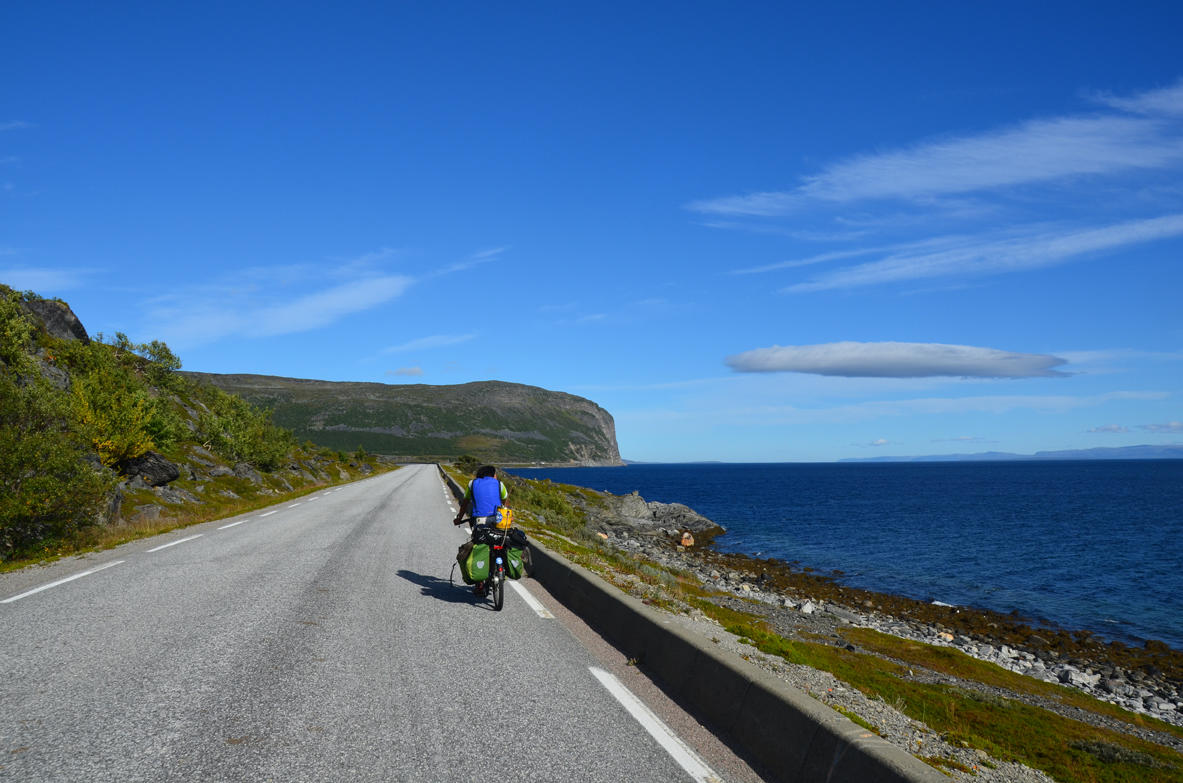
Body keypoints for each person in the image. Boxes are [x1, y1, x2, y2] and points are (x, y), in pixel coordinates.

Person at [453, 465, 509, 595]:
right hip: (498, 520)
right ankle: (501, 569)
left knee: (479, 545)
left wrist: (459, 518)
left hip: (480, 521)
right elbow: (505, 502)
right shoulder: (499, 484)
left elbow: (465, 503)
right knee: (499, 541)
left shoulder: (472, 484)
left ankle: (479, 584)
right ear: (492, 474)